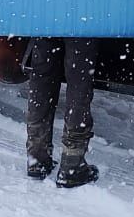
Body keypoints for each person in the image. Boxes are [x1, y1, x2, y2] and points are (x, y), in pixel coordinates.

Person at [25, 38, 100, 187]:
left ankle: (37, 158)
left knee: (42, 75)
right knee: (79, 79)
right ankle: (72, 164)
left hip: (46, 17)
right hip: (82, 19)